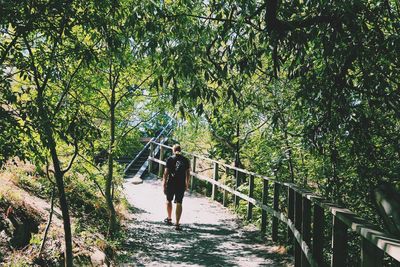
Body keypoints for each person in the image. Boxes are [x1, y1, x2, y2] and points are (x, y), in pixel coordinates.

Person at [162, 144, 190, 230]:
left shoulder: (170, 159)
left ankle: (169, 218)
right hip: (181, 184)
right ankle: (177, 224)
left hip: (171, 183)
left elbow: (166, 173)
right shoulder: (186, 160)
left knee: (168, 200)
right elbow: (188, 173)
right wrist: (187, 184)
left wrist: (164, 184)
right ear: (180, 150)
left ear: (173, 150)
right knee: (179, 202)